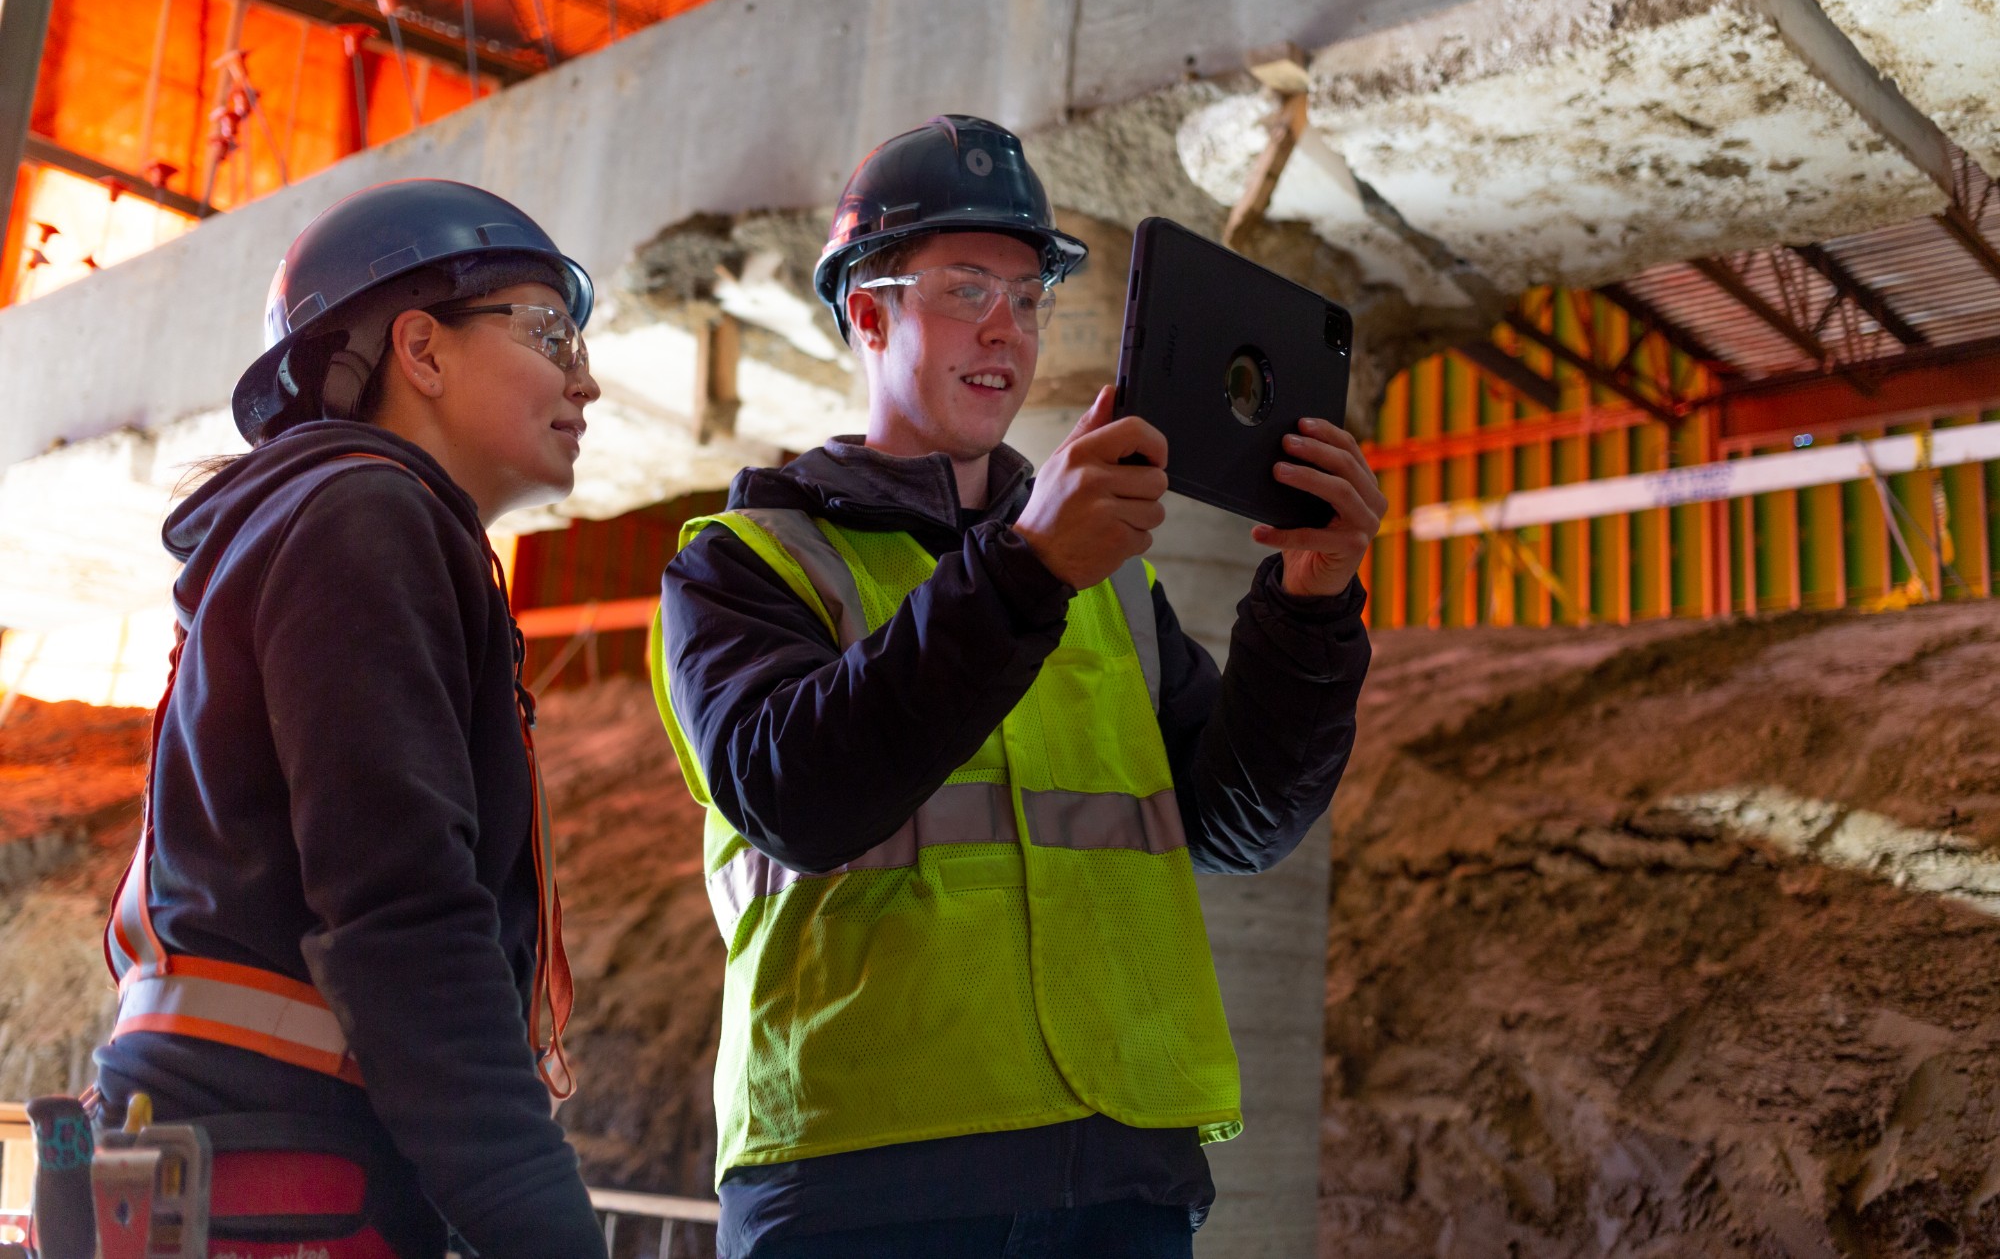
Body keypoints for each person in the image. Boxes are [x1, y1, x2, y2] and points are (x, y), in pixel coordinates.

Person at [651, 114, 1385, 1257]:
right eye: (964, 288)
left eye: (1029, 296)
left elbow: (1238, 823)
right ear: (866, 310)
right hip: (861, 1175)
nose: (1007, 327)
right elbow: (798, 794)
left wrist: (1306, 603)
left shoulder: (1103, 585)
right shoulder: (745, 562)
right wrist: (1022, 567)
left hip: (1120, 1165)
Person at [91, 178, 609, 1259]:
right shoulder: (363, 517)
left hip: (252, 1155)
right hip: (283, 1175)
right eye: (548, 331)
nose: (586, 378)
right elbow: (401, 907)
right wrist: (539, 1220)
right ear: (419, 352)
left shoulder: (327, 521)